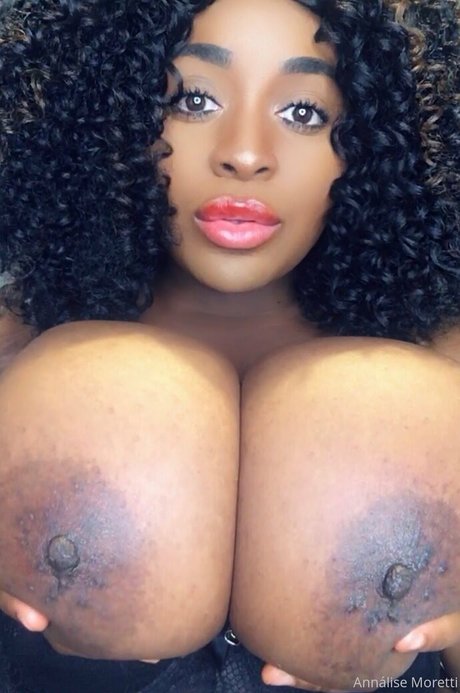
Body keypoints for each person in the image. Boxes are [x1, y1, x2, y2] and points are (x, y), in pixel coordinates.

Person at [0, 0, 458, 690]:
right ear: (113, 115)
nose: (244, 154)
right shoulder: (17, 344)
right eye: (193, 100)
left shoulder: (445, 368)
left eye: (303, 112)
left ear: (368, 142)